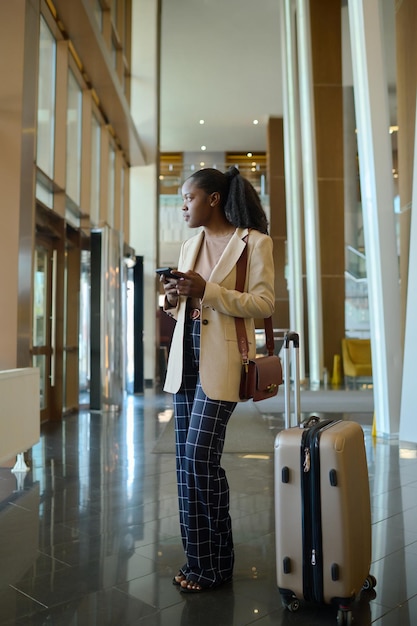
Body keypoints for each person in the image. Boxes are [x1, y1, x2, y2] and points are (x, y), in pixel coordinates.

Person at [160, 166, 275, 593]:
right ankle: (199, 562)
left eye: (188, 198)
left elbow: (263, 302)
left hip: (223, 358)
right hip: (184, 355)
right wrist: (173, 296)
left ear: (212, 199)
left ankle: (216, 563)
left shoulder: (254, 243)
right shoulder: (191, 244)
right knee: (185, 466)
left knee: (199, 459)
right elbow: (179, 306)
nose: (183, 206)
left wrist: (207, 289)